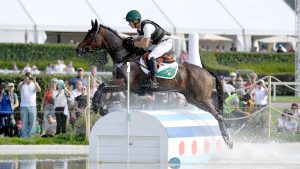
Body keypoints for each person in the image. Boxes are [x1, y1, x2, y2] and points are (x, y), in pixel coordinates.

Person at [124, 10, 172, 88]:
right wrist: (132, 41)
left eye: (129, 21)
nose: (129, 24)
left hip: (165, 42)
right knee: (144, 54)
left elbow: (145, 44)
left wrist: (133, 43)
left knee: (151, 56)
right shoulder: (139, 29)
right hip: (157, 43)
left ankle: (153, 81)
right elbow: (139, 41)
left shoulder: (147, 27)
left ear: (136, 21)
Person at [17, 72, 41, 137]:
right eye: (28, 77)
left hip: (32, 106)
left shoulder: (34, 84)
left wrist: (35, 82)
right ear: (25, 77)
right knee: (24, 122)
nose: (30, 79)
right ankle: (24, 137)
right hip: (23, 106)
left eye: (31, 77)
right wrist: (24, 82)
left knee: (32, 122)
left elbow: (39, 90)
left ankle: (31, 137)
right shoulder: (22, 84)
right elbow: (18, 88)